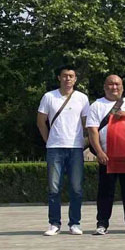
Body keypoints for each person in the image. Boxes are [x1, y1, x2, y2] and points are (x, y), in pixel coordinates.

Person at [86, 74, 125, 235]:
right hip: (107, 155)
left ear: (122, 87)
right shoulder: (97, 105)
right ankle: (102, 223)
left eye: (117, 84)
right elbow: (92, 130)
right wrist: (99, 152)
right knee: (106, 191)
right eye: (111, 84)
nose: (114, 87)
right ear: (105, 86)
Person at [36, 65, 91, 236]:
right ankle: (54, 223)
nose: (68, 79)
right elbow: (40, 121)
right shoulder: (49, 97)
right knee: (54, 188)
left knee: (76, 188)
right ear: (59, 78)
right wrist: (48, 140)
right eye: (65, 76)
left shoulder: (82, 98)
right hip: (55, 148)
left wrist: (85, 143)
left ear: (75, 79)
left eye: (71, 76)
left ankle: (74, 223)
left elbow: (86, 124)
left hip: (75, 147)